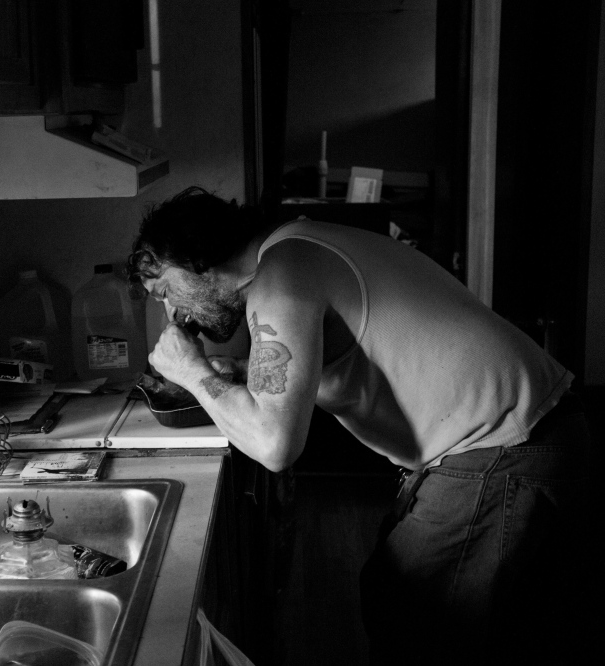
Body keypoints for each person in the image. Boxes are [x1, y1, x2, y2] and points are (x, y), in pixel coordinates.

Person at [127, 186, 592, 664]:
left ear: (195, 257)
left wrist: (194, 372)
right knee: (405, 599)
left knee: (417, 623)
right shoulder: (298, 246)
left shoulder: (280, 277)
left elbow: (274, 444)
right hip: (522, 434)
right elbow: (324, 360)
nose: (174, 314)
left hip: (504, 446)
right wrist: (243, 375)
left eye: (165, 291)